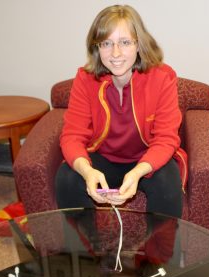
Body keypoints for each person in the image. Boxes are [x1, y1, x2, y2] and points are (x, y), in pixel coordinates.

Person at [55, 4, 187, 218]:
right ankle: (85, 251)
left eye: (125, 42)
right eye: (106, 43)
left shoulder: (162, 77)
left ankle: (160, 252)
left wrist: (137, 172)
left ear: (139, 44)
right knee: (67, 177)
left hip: (146, 158)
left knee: (166, 184)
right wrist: (87, 171)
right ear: (97, 47)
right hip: (102, 157)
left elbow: (166, 139)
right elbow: (72, 136)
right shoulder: (85, 78)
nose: (115, 53)